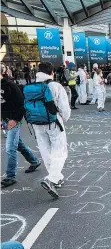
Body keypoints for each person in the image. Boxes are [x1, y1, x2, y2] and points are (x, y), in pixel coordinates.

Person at [28, 61, 71, 199]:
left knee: (45, 150)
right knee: (59, 150)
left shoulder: (31, 86)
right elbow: (64, 108)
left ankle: (56, 178)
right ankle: (51, 179)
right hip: (53, 122)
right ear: (52, 72)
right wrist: (64, 118)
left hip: (36, 122)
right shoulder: (55, 86)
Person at [1, 63, 41, 188]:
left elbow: (21, 103)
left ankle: (10, 176)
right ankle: (34, 161)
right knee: (18, 144)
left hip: (14, 119)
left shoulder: (11, 85)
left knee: (10, 147)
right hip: (5, 119)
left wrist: (15, 119)